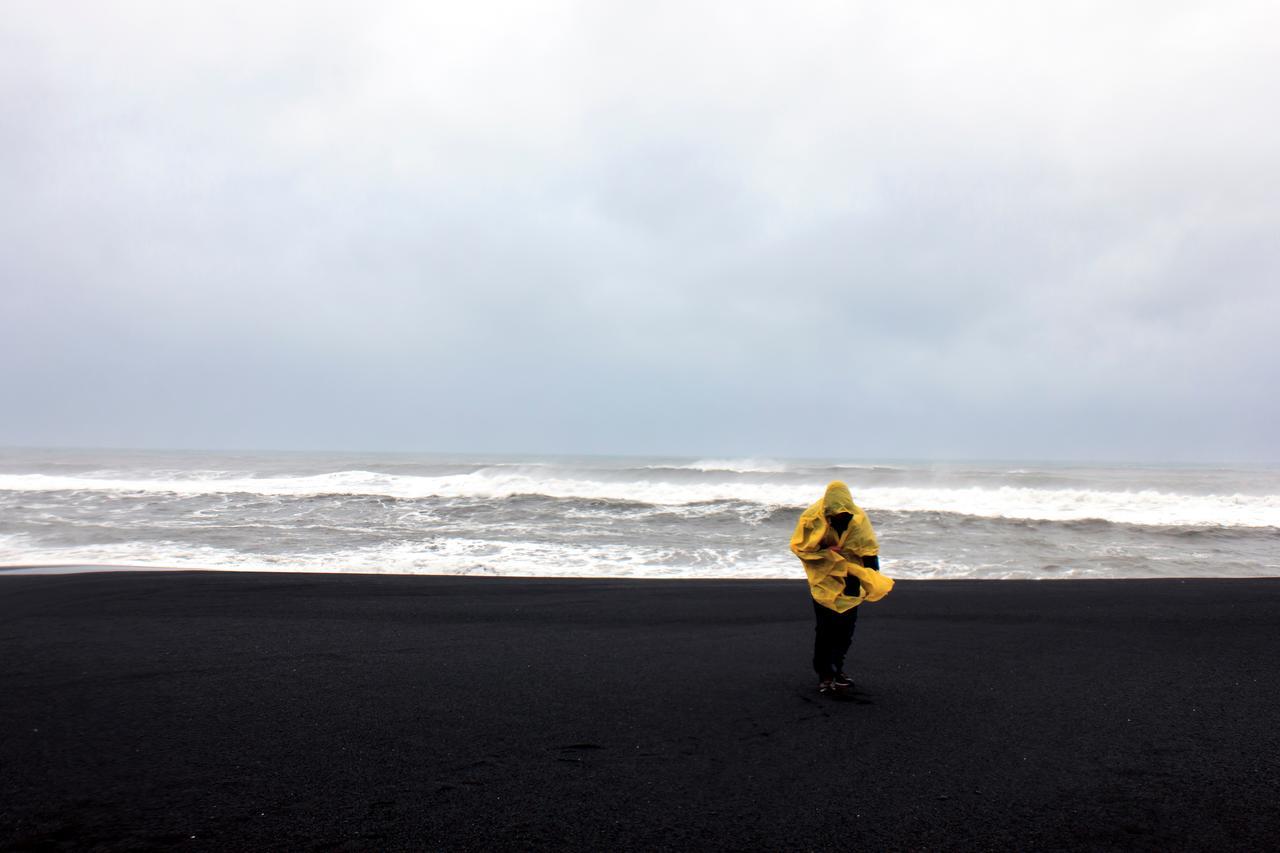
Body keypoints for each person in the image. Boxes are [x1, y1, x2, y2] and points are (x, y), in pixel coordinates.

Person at [790, 480, 893, 696]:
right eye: (834, 516)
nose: (838, 518)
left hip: (851, 578)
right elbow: (801, 548)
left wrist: (872, 579)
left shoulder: (857, 518)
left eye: (842, 516)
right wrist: (828, 549)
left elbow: (869, 552)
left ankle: (837, 669)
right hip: (824, 578)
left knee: (845, 630)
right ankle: (825, 675)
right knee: (825, 629)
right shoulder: (812, 517)